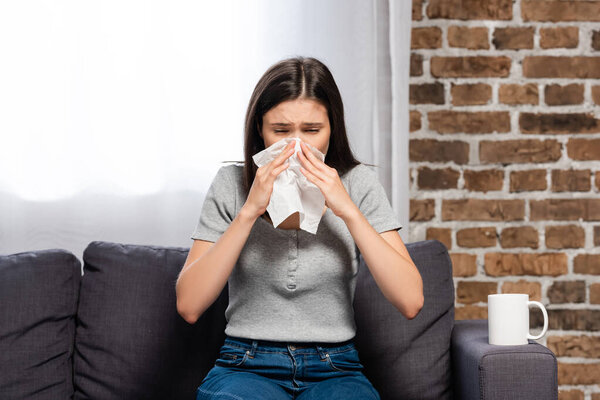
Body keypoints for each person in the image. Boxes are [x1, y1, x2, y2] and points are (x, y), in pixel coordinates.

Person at [176, 56, 424, 400]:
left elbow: (411, 301)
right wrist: (249, 211)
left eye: (311, 131)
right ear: (259, 132)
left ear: (331, 128)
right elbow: (189, 305)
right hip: (245, 363)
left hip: (335, 366)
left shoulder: (358, 183)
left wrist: (347, 210)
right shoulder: (231, 184)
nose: (296, 147)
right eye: (280, 131)